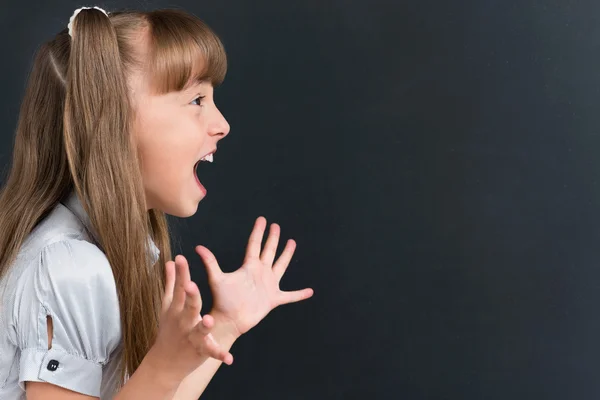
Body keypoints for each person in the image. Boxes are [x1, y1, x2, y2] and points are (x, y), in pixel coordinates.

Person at [0, 6, 314, 400]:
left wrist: (225, 324)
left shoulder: (109, 252)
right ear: (112, 121)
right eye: (197, 99)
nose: (222, 124)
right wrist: (163, 367)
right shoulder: (68, 268)